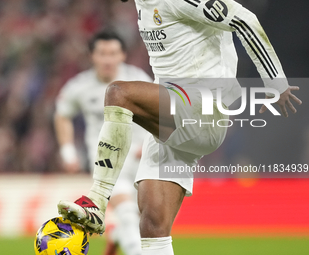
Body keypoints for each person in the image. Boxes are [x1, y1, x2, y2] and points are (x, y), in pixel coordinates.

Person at [58, 0, 302, 254]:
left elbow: (245, 20)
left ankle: (96, 202)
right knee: (152, 226)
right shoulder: (143, 3)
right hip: (171, 120)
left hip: (202, 109)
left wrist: (276, 83)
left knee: (119, 93)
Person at [54, 31, 151, 255]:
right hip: (105, 164)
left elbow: (158, 114)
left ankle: (117, 236)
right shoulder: (79, 86)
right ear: (92, 56)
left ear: (123, 55)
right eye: (102, 53)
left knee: (143, 221)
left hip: (139, 158)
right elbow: (62, 114)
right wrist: (68, 152)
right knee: (127, 212)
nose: (108, 59)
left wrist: (150, 142)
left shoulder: (138, 80)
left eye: (113, 53)